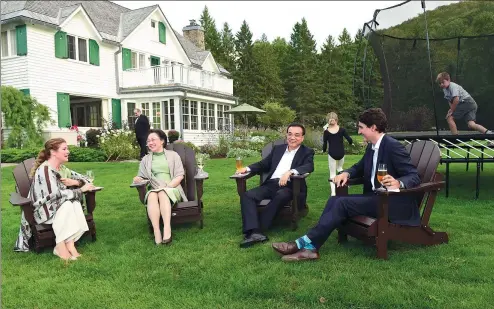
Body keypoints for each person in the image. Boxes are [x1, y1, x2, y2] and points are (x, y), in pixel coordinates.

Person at [272, 108, 421, 262]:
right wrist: (346, 173)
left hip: (391, 203)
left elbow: (413, 176)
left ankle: (302, 243)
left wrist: (398, 182)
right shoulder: (373, 146)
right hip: (375, 198)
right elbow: (359, 167)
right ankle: (310, 247)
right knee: (334, 200)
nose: (359, 131)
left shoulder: (392, 146)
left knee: (342, 203)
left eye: (361, 127)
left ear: (373, 128)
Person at [14, 138, 96, 260]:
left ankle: (70, 245)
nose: (68, 151)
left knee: (74, 204)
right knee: (69, 204)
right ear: (53, 152)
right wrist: (80, 190)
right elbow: (54, 195)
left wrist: (75, 182)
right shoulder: (45, 170)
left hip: (58, 207)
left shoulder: (62, 169)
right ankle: (61, 246)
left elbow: (87, 179)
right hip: (44, 211)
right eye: (64, 149)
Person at [235, 123, 315, 248]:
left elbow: (309, 166)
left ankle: (257, 230)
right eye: (290, 134)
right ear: (286, 135)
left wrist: (289, 172)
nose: (292, 137)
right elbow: (263, 164)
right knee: (247, 195)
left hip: (291, 186)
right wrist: (247, 168)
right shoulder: (278, 149)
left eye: (297, 135)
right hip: (271, 184)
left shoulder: (307, 152)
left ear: (302, 138)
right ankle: (255, 231)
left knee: (280, 195)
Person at [133, 129, 188, 246]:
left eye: (153, 140)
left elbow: (179, 175)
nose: (150, 143)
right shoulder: (146, 159)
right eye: (148, 141)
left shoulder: (173, 155)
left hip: (172, 188)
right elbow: (142, 177)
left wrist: (168, 186)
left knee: (162, 192)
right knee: (152, 194)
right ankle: (157, 231)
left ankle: (167, 229)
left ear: (162, 141)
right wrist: (138, 179)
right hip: (154, 188)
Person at [323, 112, 353, 197]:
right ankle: (345, 183)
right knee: (340, 168)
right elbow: (349, 139)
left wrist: (324, 150)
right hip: (341, 153)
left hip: (332, 153)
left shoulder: (326, 132)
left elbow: (325, 143)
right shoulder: (342, 130)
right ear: (336, 120)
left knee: (332, 173)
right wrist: (351, 143)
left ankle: (333, 193)